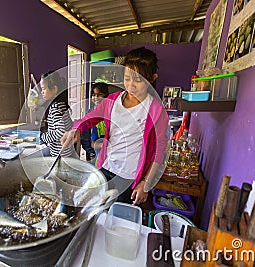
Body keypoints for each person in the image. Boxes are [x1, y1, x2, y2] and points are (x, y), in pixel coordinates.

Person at [61, 47, 170, 205]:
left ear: (152, 78)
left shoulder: (156, 110)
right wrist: (76, 129)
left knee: (116, 217)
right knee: (96, 210)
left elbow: (159, 151)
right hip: (106, 166)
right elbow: (90, 118)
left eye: (138, 80)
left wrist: (146, 184)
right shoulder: (112, 101)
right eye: (127, 78)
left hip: (130, 177)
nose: (131, 86)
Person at [39, 71, 74, 157]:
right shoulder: (61, 104)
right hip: (67, 152)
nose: (41, 92)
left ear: (54, 89)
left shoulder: (55, 107)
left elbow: (60, 131)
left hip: (59, 154)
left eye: (44, 89)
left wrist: (43, 137)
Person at [90, 82, 109, 165]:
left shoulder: (110, 112)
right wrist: (90, 152)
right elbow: (91, 142)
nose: (96, 97)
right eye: (93, 94)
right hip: (97, 149)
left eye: (99, 94)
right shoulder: (90, 113)